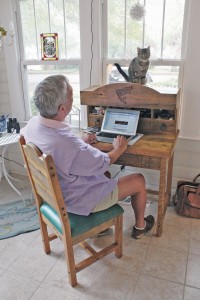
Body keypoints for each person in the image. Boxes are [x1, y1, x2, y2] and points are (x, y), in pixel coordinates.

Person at [20, 75, 155, 239]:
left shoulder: (32, 125)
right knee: (138, 180)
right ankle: (140, 227)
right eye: (71, 96)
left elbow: (60, 146)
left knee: (105, 176)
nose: (73, 98)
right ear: (62, 108)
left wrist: (80, 141)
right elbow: (104, 162)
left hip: (56, 194)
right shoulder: (68, 145)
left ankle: (101, 228)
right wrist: (118, 149)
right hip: (76, 200)